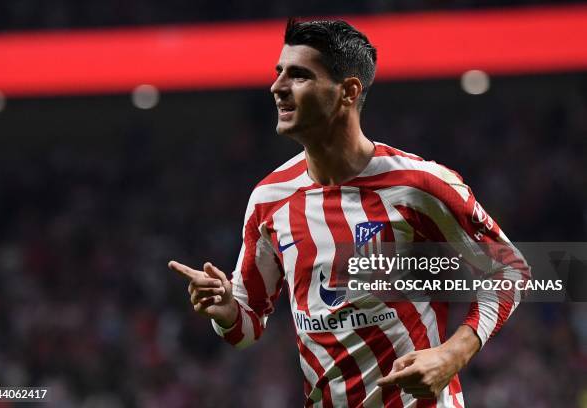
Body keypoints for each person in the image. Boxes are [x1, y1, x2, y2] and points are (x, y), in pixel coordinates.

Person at [169, 18, 529, 407]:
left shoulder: (418, 184)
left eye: (299, 75)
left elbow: (511, 268)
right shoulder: (269, 198)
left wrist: (452, 354)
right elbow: (246, 326)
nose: (278, 87)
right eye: (279, 73)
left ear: (348, 91)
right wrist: (225, 311)